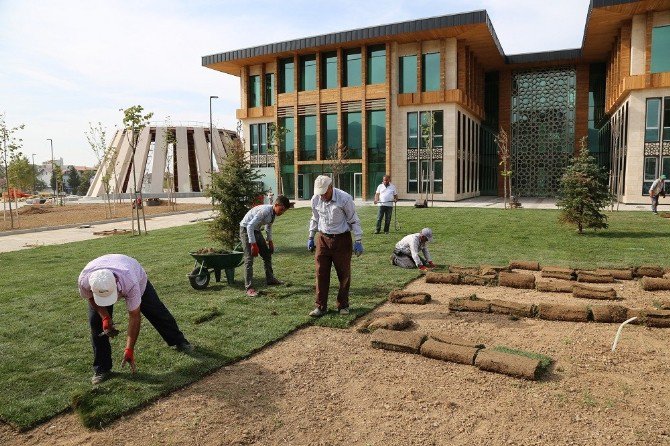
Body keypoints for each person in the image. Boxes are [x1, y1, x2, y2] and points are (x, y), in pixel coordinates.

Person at [78, 254, 192, 385]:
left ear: (115, 282)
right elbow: (91, 298)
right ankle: (102, 368)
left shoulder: (130, 281)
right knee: (96, 324)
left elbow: (134, 316)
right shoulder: (84, 281)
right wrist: (105, 318)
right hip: (103, 275)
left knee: (155, 310)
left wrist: (129, 349)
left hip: (133, 271)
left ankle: (179, 341)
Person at [307, 175, 363, 317]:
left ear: (331, 187)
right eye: (320, 193)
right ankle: (321, 306)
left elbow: (353, 219)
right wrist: (311, 236)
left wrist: (358, 240)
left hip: (342, 240)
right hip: (323, 239)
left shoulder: (344, 199)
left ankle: (343, 305)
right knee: (321, 273)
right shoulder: (316, 199)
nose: (322, 196)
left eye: (325, 192)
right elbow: (315, 218)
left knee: (343, 274)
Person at [239, 195, 291, 297]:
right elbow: (249, 226)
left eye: (284, 211)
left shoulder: (273, 213)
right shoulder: (265, 211)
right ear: (276, 205)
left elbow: (268, 226)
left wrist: (270, 241)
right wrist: (253, 244)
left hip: (256, 230)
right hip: (246, 229)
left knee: (267, 255)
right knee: (249, 259)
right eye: (281, 210)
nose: (282, 213)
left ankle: (270, 279)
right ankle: (249, 288)